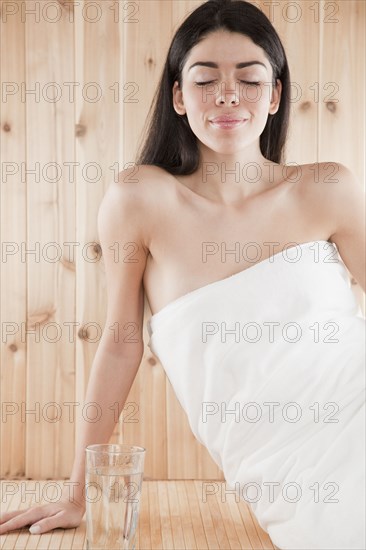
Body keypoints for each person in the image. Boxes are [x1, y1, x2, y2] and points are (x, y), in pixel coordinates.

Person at [1, 1, 365, 548]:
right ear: (177, 96)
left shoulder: (327, 188)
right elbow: (121, 344)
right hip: (290, 469)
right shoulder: (141, 199)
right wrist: (79, 492)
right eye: (204, 80)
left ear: (275, 96)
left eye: (249, 78)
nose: (227, 94)